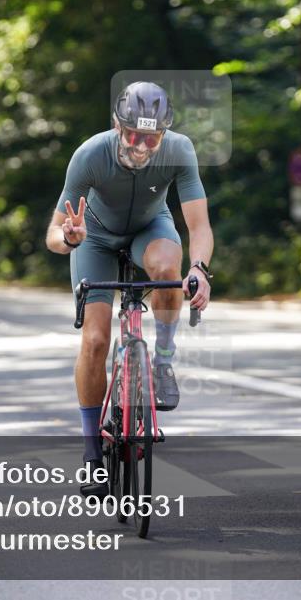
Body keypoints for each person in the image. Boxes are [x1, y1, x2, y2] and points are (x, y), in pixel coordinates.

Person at [45, 81, 214, 496]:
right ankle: (91, 453)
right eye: (134, 135)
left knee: (166, 267)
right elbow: (52, 233)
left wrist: (200, 268)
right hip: (95, 239)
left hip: (150, 230)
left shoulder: (179, 150)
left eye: (151, 138)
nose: (141, 146)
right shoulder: (90, 154)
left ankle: (163, 359)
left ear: (164, 134)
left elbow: (198, 226)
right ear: (117, 127)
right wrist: (69, 238)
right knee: (97, 340)